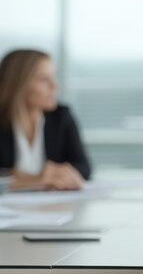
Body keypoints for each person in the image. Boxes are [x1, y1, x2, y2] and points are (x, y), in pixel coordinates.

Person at [0, 49, 91, 190]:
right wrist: (29, 180)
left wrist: (58, 173)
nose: (54, 86)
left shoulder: (62, 116)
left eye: (53, 77)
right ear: (19, 84)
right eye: (43, 79)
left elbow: (84, 167)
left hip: (52, 207)